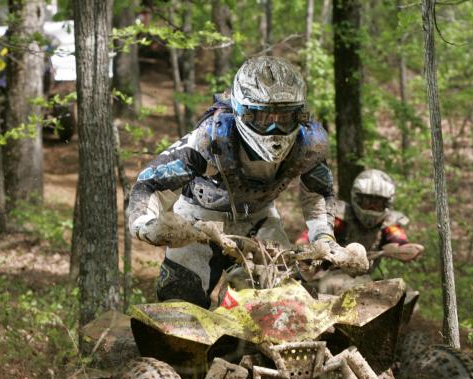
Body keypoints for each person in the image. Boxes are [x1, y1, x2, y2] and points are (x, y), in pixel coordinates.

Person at [127, 55, 367, 307]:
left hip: (259, 218)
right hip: (198, 218)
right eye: (264, 117)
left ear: (300, 115)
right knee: (178, 299)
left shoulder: (309, 144)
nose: (275, 129)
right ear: (242, 111)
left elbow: (317, 192)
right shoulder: (210, 139)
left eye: (284, 118)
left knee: (288, 301)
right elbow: (150, 183)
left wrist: (324, 239)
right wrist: (148, 225)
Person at [296, 169, 424, 293]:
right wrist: (305, 244)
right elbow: (317, 232)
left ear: (387, 204)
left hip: (366, 277)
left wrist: (404, 249)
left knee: (403, 293)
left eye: (377, 203)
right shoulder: (341, 216)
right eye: (367, 202)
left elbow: (399, 239)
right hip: (333, 273)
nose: (372, 207)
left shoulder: (389, 223)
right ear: (357, 198)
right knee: (337, 285)